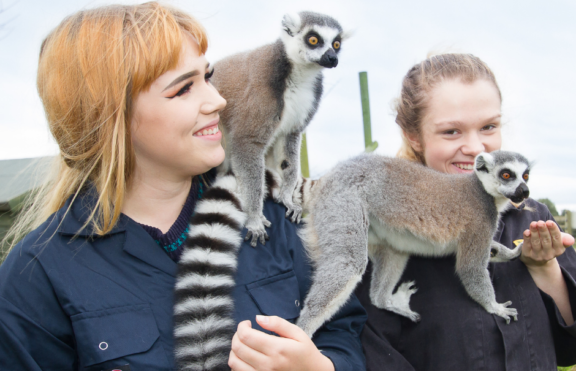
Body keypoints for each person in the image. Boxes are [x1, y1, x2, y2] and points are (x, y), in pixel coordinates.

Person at [0, 3, 366, 370]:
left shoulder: (272, 218)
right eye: (183, 89)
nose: (218, 100)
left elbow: (344, 332)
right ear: (111, 116)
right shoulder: (37, 274)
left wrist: (322, 367)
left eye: (207, 77)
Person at [356, 53, 576, 370]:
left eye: (488, 126)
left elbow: (569, 351)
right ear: (414, 137)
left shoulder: (531, 219)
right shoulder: (381, 236)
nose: (476, 148)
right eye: (452, 132)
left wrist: (545, 269)